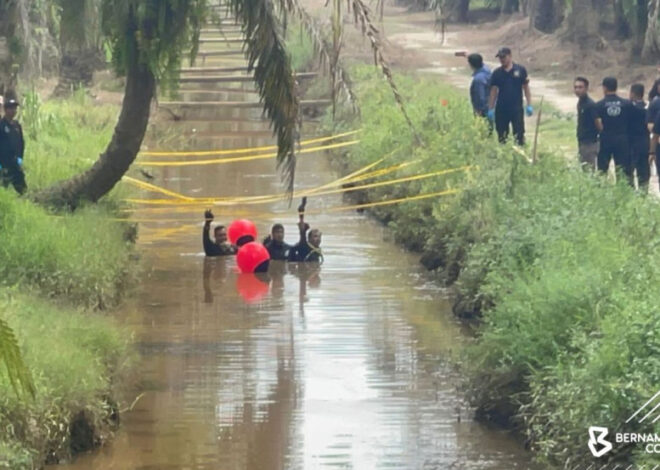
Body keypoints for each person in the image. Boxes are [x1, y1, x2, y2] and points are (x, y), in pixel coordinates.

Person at [487, 47, 533, 145]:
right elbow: (493, 91)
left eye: (504, 57)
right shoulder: (497, 73)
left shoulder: (520, 70)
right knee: (502, 135)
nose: (502, 60)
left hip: (516, 108)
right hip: (501, 109)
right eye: (500, 58)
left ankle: (520, 154)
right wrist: (491, 108)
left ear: (510, 56)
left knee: (519, 134)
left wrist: (529, 104)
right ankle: (504, 156)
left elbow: (526, 87)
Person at [595, 77, 633, 182]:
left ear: (604, 88)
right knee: (623, 169)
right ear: (616, 87)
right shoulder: (627, 104)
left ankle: (600, 190)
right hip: (622, 139)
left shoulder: (599, 105)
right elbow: (631, 122)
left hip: (605, 139)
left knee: (602, 169)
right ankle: (624, 192)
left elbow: (597, 123)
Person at [0, 97, 27, 194]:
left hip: (15, 163)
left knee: (23, 190)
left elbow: (21, 143)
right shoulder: (1, 125)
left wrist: (20, 157)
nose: (14, 111)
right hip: (4, 164)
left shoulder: (17, 125)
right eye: (11, 108)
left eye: (15, 108)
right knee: (3, 189)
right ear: (6, 110)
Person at [573, 77, 599, 170]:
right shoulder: (580, 103)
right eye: (575, 87)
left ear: (586, 88)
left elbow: (598, 122)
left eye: (580, 87)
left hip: (590, 142)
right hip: (582, 141)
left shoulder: (590, 104)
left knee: (589, 170)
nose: (577, 90)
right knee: (584, 168)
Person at [628, 83, 651, 190]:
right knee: (643, 170)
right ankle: (644, 192)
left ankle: (630, 190)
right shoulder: (648, 108)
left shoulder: (629, 107)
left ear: (632, 93)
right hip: (644, 142)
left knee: (629, 169)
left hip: (631, 142)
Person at [288, 198, 323, 263]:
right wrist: (301, 214)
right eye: (315, 236)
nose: (318, 239)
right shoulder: (304, 246)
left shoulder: (316, 250)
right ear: (309, 239)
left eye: (319, 237)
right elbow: (302, 232)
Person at [468, 53, 491, 118]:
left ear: (471, 65)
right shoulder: (486, 71)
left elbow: (480, 96)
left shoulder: (478, 79)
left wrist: (480, 111)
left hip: (483, 111)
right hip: (490, 107)